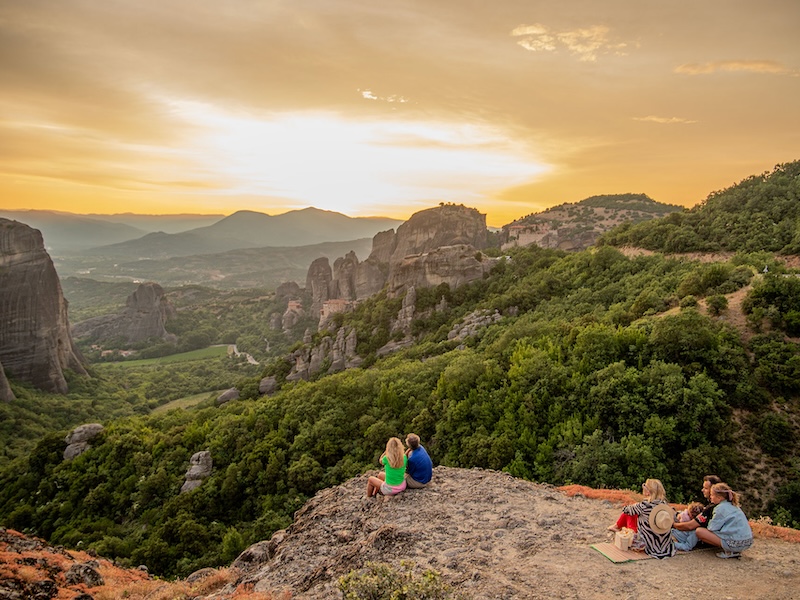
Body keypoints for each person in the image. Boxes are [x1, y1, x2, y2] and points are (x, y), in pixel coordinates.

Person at [695, 483, 754, 559]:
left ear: (719, 498)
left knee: (699, 531)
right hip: (747, 542)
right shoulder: (734, 505)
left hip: (735, 543)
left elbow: (712, 528)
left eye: (712, 495)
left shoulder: (720, 508)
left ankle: (729, 550)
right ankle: (734, 550)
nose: (710, 497)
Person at [621, 478, 676, 559]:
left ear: (648, 491)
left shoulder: (644, 505)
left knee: (631, 513)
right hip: (666, 548)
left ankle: (617, 527)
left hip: (649, 545)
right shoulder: (664, 505)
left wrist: (635, 504)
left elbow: (625, 510)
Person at [672, 474, 722, 551]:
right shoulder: (721, 505)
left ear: (713, 490)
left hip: (708, 539)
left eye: (705, 488)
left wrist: (673, 524)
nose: (702, 490)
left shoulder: (712, 508)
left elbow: (690, 526)